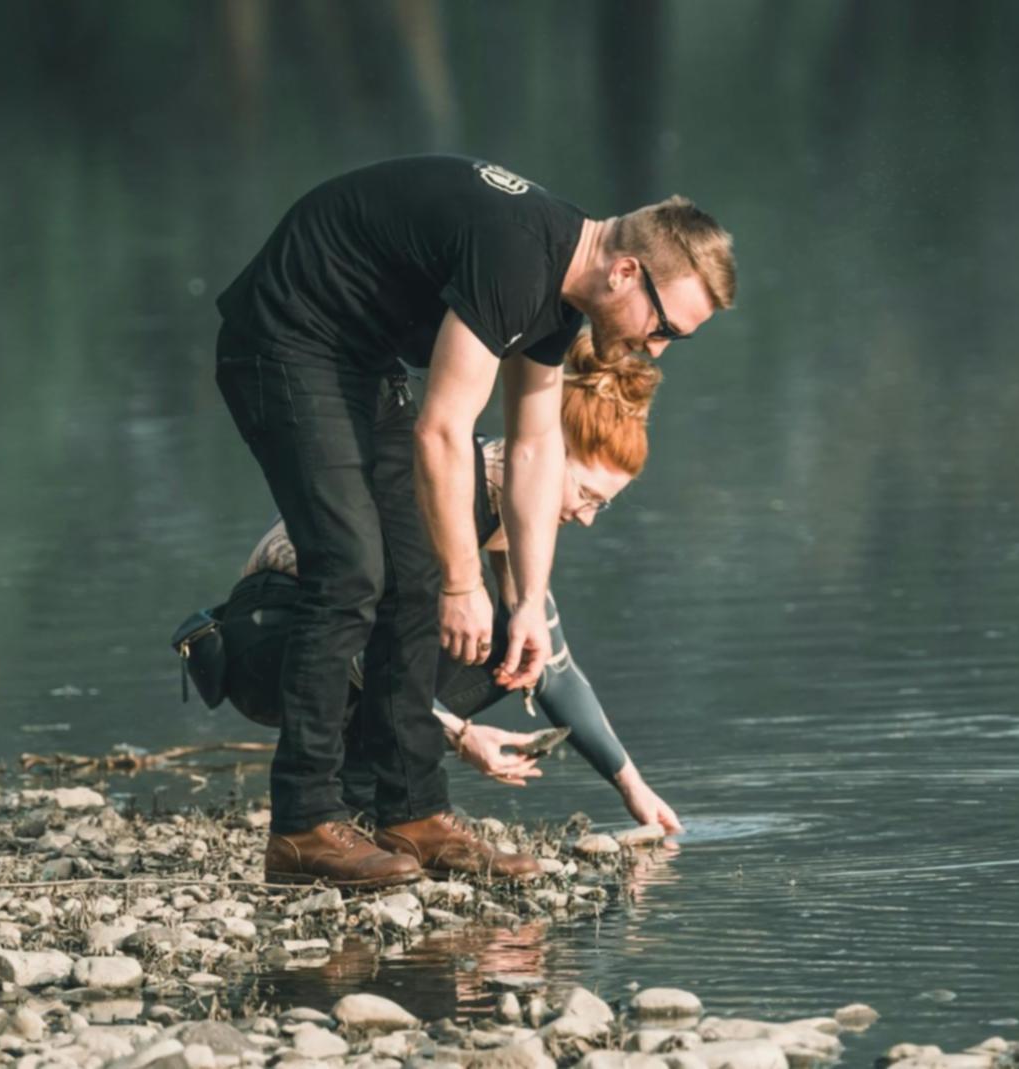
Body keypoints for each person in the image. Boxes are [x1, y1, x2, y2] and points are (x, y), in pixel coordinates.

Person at [213, 155, 733, 888]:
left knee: (411, 574)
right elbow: (442, 431)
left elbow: (534, 442)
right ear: (625, 274)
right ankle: (301, 826)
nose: (657, 348)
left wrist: (525, 601)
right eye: (665, 329)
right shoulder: (520, 256)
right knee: (352, 568)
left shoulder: (560, 289)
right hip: (284, 338)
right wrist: (466, 582)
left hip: (360, 358)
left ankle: (412, 812)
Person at [179, 334, 682, 833]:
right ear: (548, 455)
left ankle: (368, 801)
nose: (588, 518)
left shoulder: (509, 516)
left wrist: (635, 790)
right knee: (448, 616)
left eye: (603, 505)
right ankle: (354, 803)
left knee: (516, 644)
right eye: (587, 495)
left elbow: (557, 671)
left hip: (340, 651)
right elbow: (355, 644)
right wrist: (461, 734)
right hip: (267, 643)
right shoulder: (450, 488)